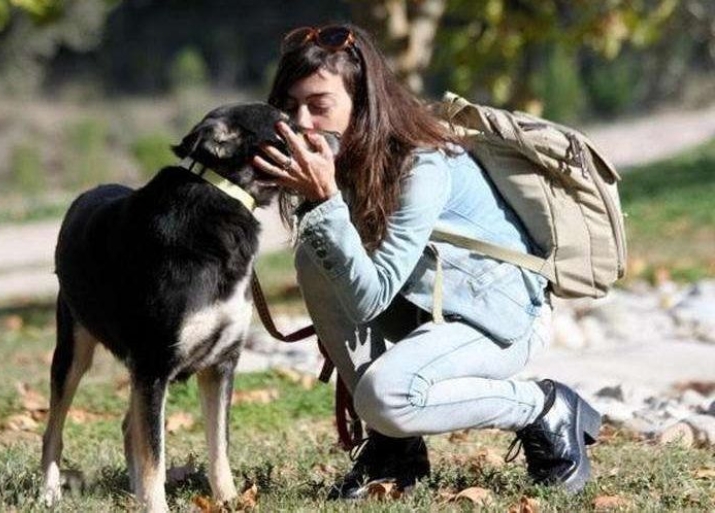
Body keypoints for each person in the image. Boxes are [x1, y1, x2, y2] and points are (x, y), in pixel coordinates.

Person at [252, 24, 601, 499]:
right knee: (314, 259)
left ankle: (543, 407)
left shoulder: (423, 163)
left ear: (363, 102)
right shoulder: (346, 161)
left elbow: (370, 296)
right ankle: (395, 450)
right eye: (291, 108)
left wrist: (326, 199)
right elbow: (358, 295)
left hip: (501, 321)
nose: (303, 122)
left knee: (385, 396)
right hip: (427, 310)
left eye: (319, 105)